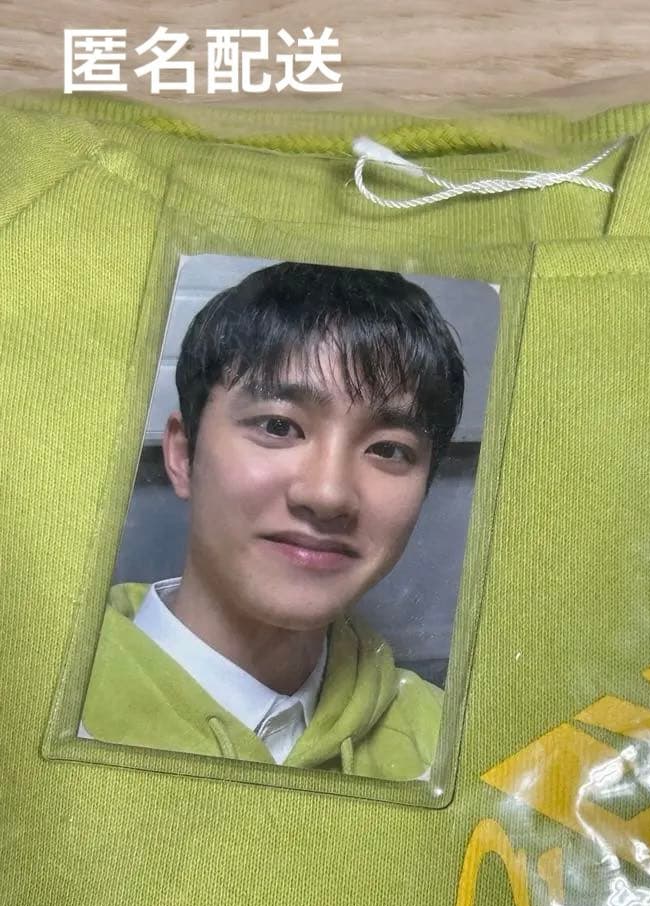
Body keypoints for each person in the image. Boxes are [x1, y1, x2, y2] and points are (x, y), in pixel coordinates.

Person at [79, 261, 466, 781]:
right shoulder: (38, 694)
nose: (328, 495)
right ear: (183, 455)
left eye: (388, 449)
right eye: (279, 426)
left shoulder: (449, 749)